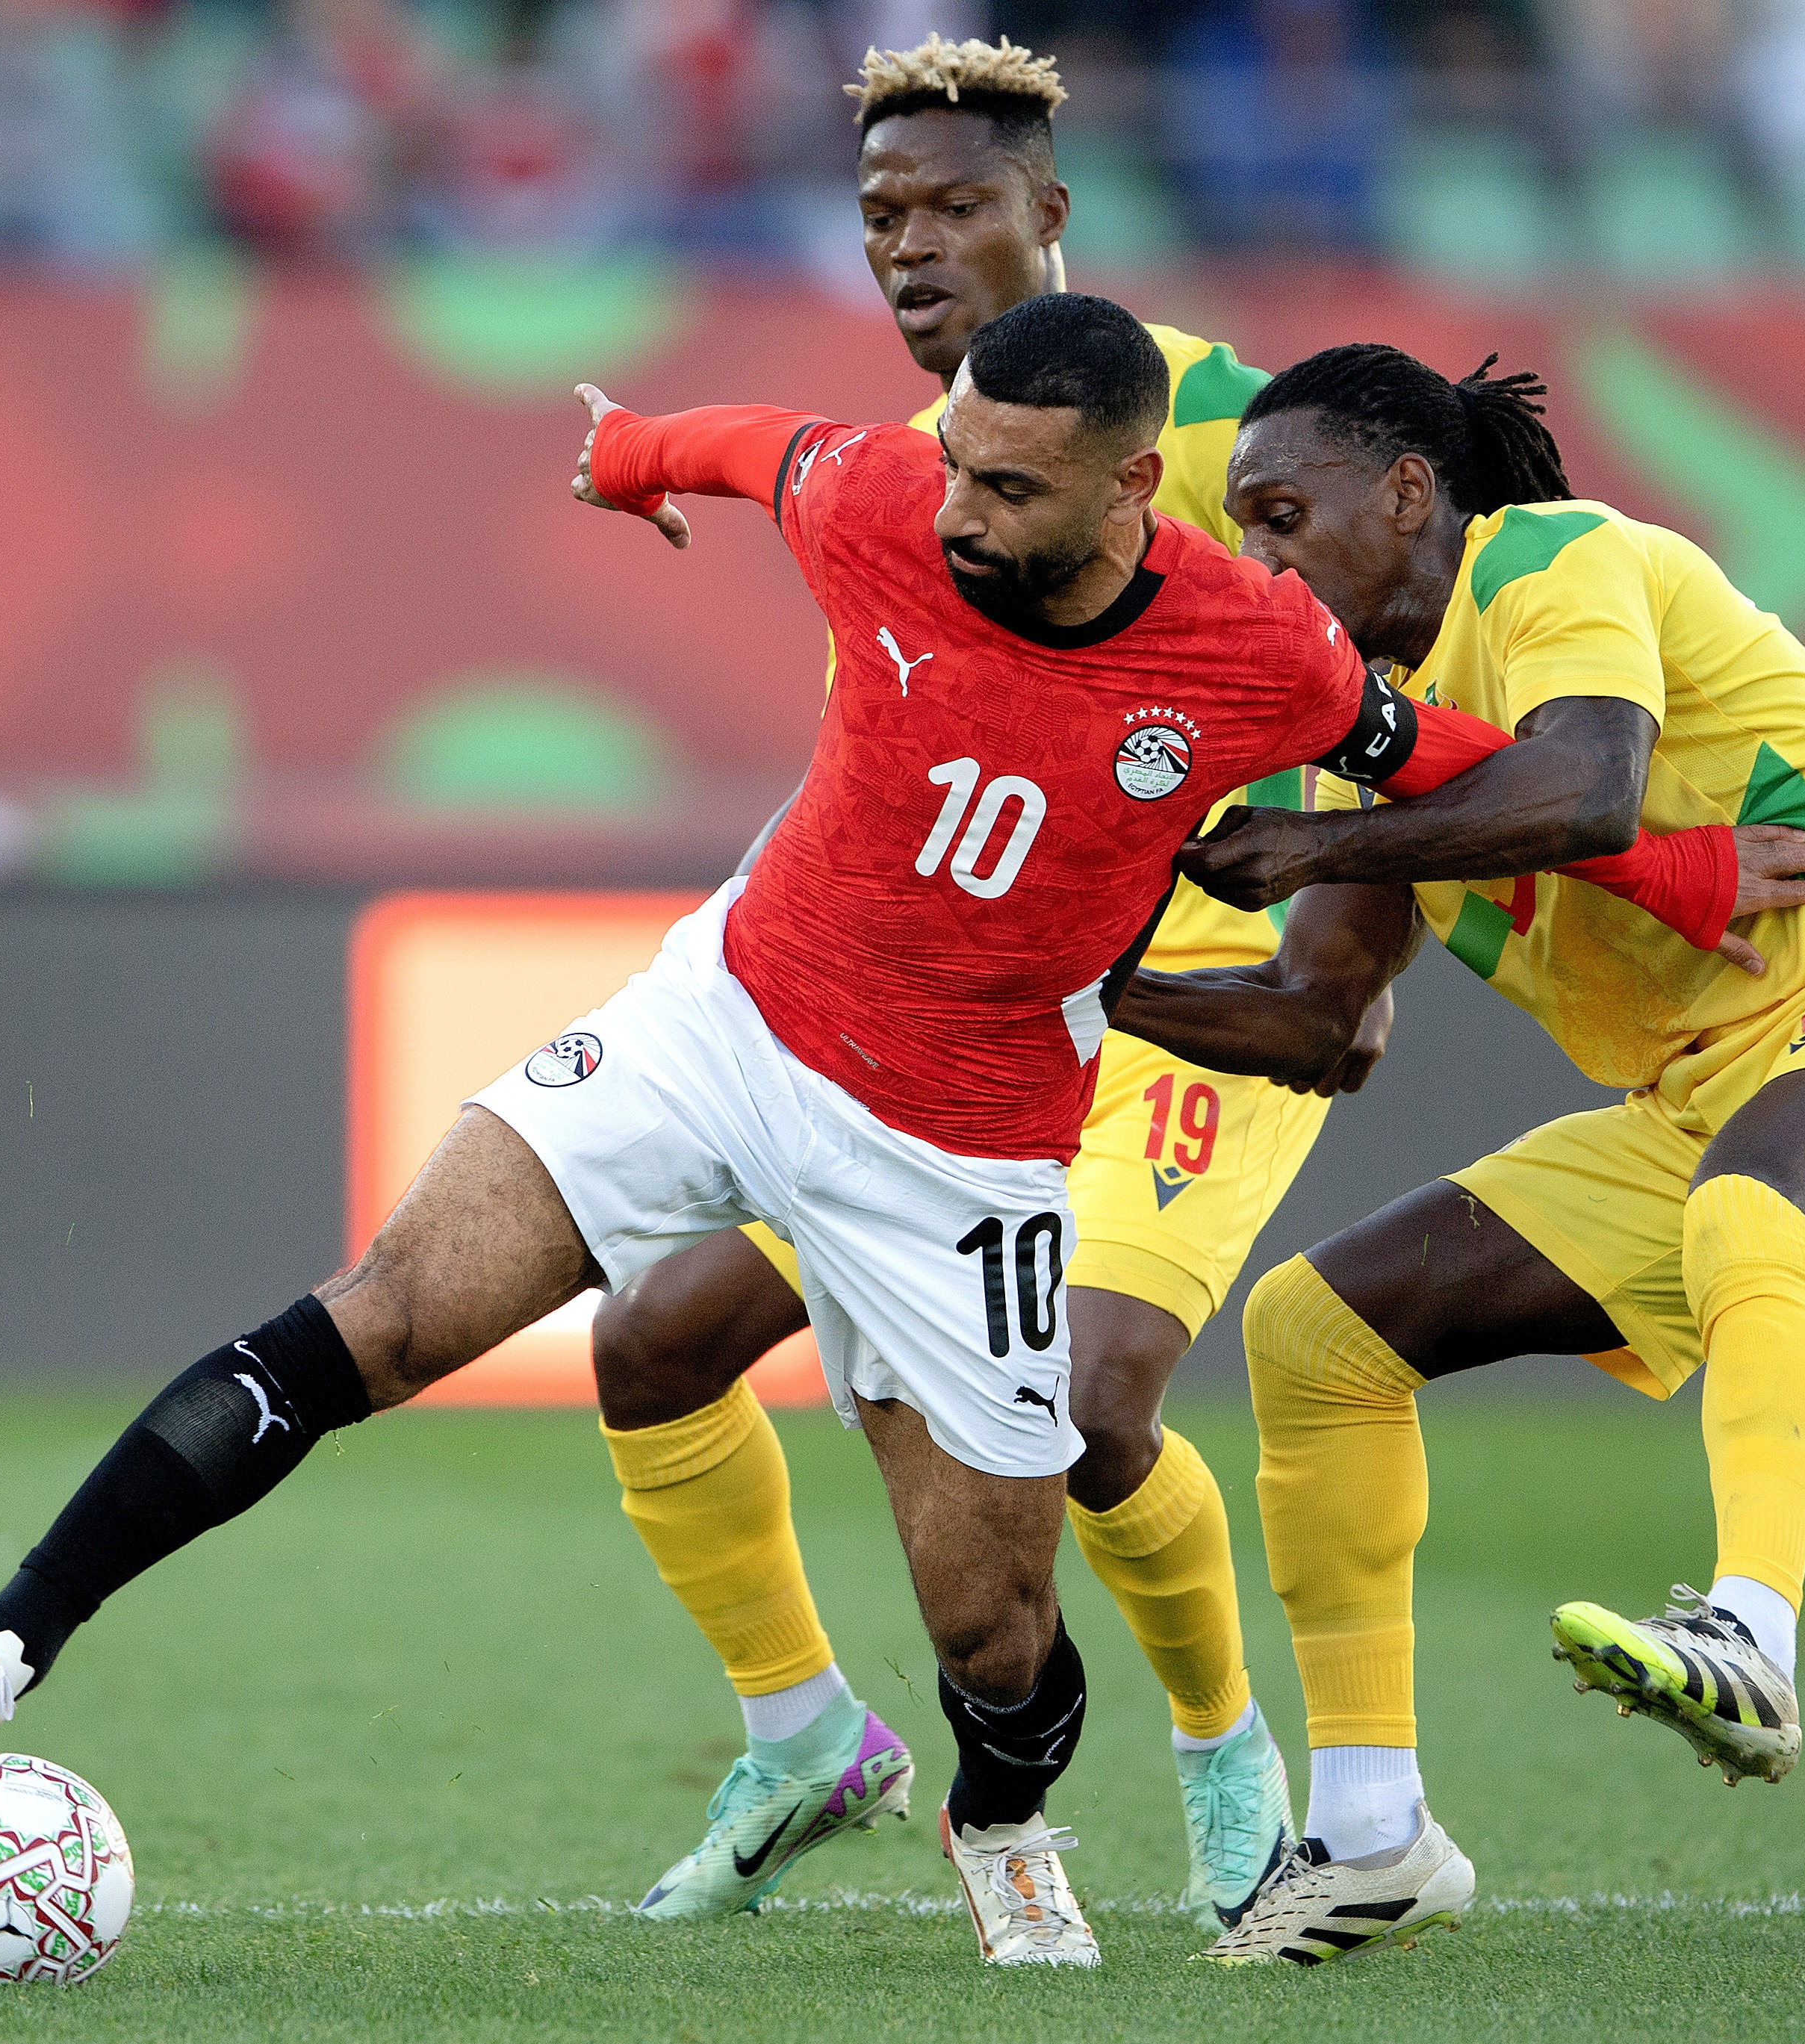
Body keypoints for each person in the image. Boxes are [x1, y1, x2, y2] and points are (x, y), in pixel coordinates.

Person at [0, 291, 1749, 1969]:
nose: (959, 503)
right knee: (386, 1312)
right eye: (958, 464)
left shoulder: (1263, 657)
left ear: (1125, 488)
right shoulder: (886, 498)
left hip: (967, 1150)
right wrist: (632, 456)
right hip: (725, 1022)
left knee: (997, 1636)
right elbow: (764, 446)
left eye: (1007, 484)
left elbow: (1482, 776)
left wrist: (1688, 867)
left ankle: (996, 1822)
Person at [1109, 342, 1805, 1963]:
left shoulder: (1554, 559)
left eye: (1285, 515)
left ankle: (1749, 1629)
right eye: (1241, 526)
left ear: (1410, 495)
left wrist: (1317, 840)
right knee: (1312, 1333)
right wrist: (1091, 985)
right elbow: (1317, 1020)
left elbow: (1588, 786)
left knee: (1752, 1212)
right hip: (1688, 1098)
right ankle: (1372, 1831)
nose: (1259, 558)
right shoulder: (1358, 741)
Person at [585, 31, 1350, 1933]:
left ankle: (1225, 1752)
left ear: (1054, 217)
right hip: (922, 1043)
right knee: (655, 1338)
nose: (912, 249)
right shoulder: (921, 464)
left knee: (1090, 1410)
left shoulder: (1216, 423)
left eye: (956, 210)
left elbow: (1383, 669)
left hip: (1178, 999)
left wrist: (1367, 906)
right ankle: (800, 1737)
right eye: (882, 217)